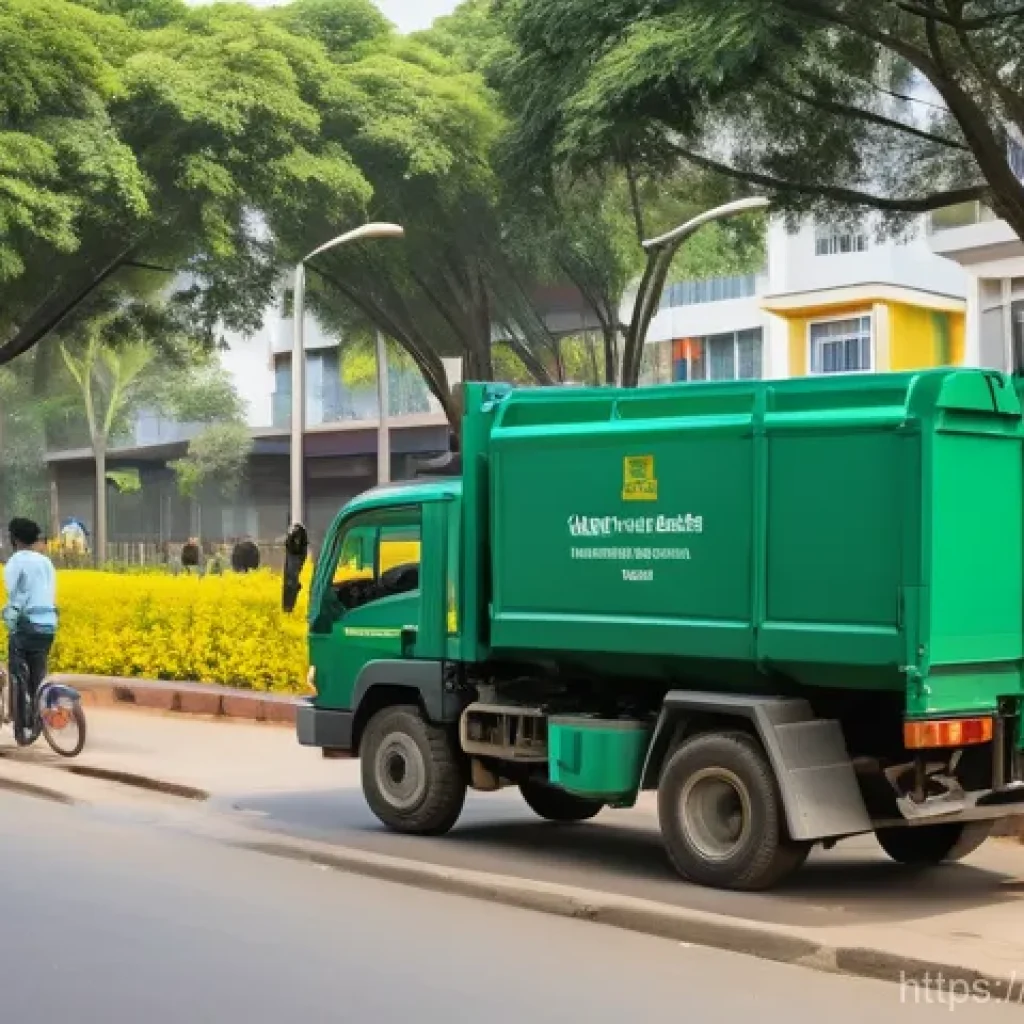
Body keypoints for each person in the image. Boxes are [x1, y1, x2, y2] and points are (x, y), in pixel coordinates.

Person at [3, 518, 58, 745]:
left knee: (19, 675)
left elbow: (15, 593)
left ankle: (24, 726)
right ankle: (40, 718)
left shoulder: (16, 561)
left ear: (14, 539)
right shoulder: (46, 563)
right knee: (39, 674)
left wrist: (9, 615)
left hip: (27, 625)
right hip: (48, 625)